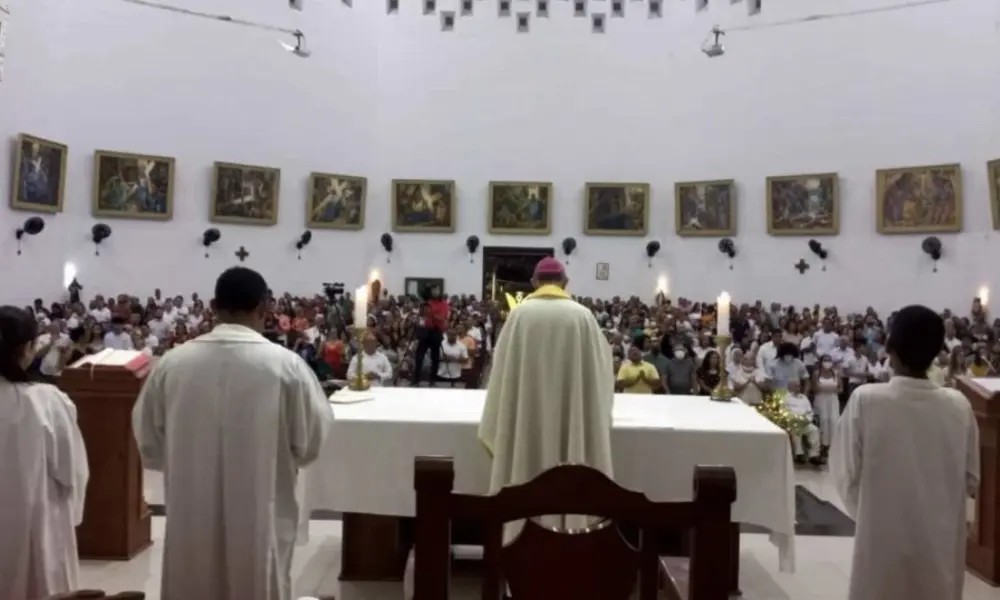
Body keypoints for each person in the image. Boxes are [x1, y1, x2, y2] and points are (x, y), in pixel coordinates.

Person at [132, 267, 334, 600]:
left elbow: (149, 444)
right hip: (261, 507)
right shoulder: (286, 366)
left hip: (191, 506)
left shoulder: (172, 363)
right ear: (264, 308)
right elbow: (311, 442)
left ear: (213, 306)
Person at [831, 305, 979, 600]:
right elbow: (971, 479)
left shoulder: (866, 400)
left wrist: (874, 515)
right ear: (937, 352)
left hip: (881, 539)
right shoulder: (959, 406)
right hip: (938, 542)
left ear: (889, 348)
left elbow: (844, 473)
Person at [479, 257, 614, 533]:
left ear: (534, 282)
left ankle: (521, 536)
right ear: (565, 282)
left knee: (522, 461)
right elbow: (601, 372)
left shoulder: (519, 316)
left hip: (526, 421)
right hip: (571, 419)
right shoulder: (582, 317)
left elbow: (501, 373)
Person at [0, 306, 89, 600]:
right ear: (28, 348)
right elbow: (71, 471)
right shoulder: (46, 402)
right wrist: (73, 511)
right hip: (37, 524)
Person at [412, 284, 448, 386]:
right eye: (433, 290)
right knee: (419, 355)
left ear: (439, 291)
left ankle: (432, 380)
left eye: (436, 290)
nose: (434, 292)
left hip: (436, 331)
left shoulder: (443, 304)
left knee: (435, 357)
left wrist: (430, 313)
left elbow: (441, 317)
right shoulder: (428, 303)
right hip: (425, 330)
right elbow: (422, 315)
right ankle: (416, 380)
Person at [784, 380, 821, 466]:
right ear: (790, 387)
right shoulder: (786, 398)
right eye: (796, 386)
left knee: (814, 430)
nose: (798, 388)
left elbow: (810, 412)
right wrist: (795, 419)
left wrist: (807, 420)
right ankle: (799, 454)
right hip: (793, 422)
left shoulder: (804, 398)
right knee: (796, 430)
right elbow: (785, 412)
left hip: (805, 422)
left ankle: (814, 455)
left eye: (799, 386)